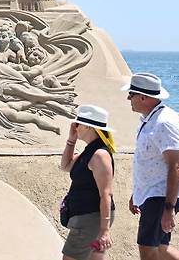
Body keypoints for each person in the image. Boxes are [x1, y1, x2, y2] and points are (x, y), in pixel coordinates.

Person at [122, 73, 179, 260]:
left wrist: (169, 208)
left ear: (144, 97)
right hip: (154, 193)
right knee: (160, 247)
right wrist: (137, 193)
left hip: (161, 196)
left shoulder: (164, 122)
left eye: (131, 94)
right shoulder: (150, 119)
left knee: (148, 248)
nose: (129, 99)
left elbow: (176, 166)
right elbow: (150, 161)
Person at [60, 105, 116, 260]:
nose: (74, 126)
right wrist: (71, 140)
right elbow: (65, 166)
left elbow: (106, 193)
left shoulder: (99, 155)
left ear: (88, 126)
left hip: (91, 218)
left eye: (77, 124)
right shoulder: (90, 151)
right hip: (90, 217)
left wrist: (104, 230)